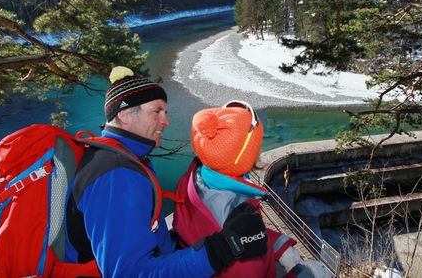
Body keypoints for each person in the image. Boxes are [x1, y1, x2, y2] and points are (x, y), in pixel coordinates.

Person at [65, 67, 268, 277]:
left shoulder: (120, 157)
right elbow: (130, 273)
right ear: (125, 114)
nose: (166, 121)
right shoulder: (116, 175)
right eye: (157, 111)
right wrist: (223, 247)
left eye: (166, 112)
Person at [173, 100, 331, 277]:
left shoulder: (195, 178)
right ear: (246, 156)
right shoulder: (234, 212)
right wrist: (307, 273)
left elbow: (250, 234)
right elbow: (245, 251)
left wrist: (281, 245)